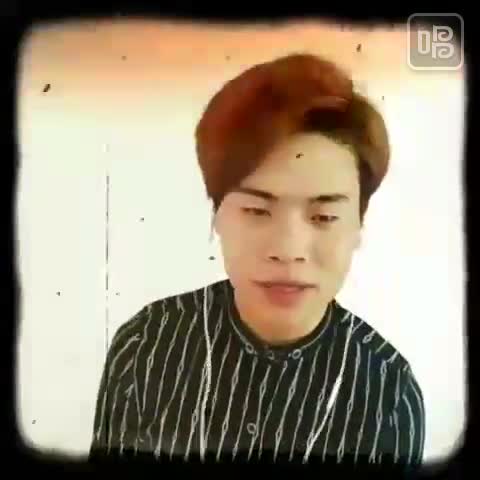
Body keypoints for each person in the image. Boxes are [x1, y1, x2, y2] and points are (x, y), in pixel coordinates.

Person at [88, 53, 425, 468]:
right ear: (218, 215)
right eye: (256, 211)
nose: (288, 248)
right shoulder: (146, 345)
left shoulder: (388, 393)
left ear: (357, 225)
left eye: (324, 217)